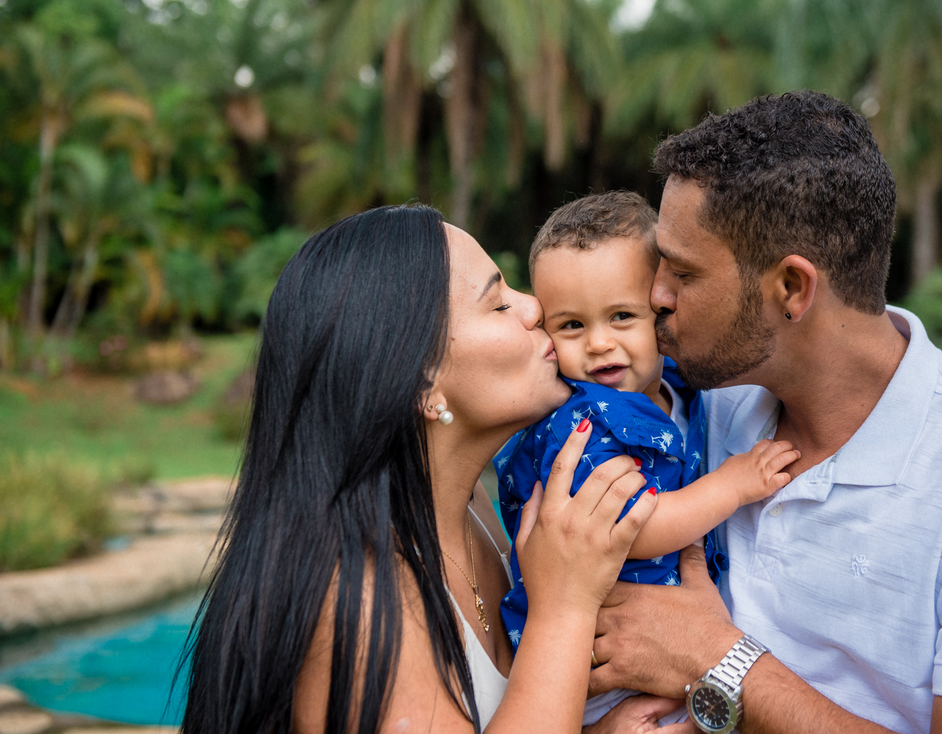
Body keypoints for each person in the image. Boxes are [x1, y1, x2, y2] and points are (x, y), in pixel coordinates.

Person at [587, 91, 942, 734]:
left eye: (683, 273)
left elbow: (695, 652)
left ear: (792, 288)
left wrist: (718, 661)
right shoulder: (699, 404)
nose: (655, 294)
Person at [179, 205, 671, 734]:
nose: (535, 307)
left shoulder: (468, 507)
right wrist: (564, 608)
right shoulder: (361, 601)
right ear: (422, 382)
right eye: (498, 303)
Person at [492, 191, 798, 725]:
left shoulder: (680, 385)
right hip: (604, 659)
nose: (598, 343)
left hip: (666, 638)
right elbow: (631, 528)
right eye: (571, 325)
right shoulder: (584, 423)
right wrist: (733, 484)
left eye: (621, 316)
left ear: (660, 309)